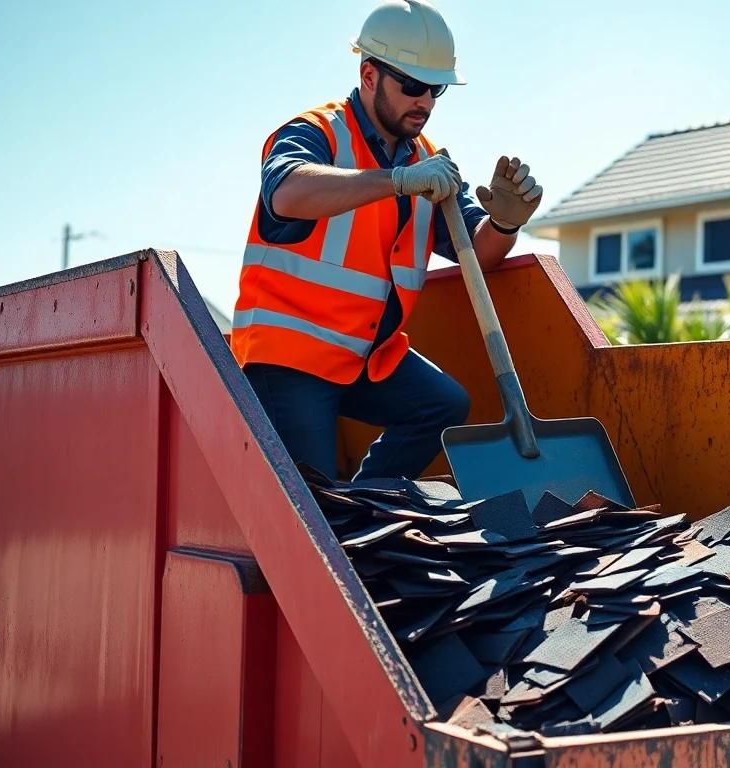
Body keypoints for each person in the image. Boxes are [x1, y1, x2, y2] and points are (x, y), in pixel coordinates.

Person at [232, 0, 542, 482]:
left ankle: (366, 509)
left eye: (436, 88)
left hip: (366, 357)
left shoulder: (427, 160)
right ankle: (339, 527)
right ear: (369, 74)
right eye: (413, 86)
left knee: (443, 405)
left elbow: (473, 251)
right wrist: (396, 180)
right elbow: (288, 191)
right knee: (314, 505)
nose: (427, 102)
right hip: (290, 357)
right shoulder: (317, 133)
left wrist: (505, 223)